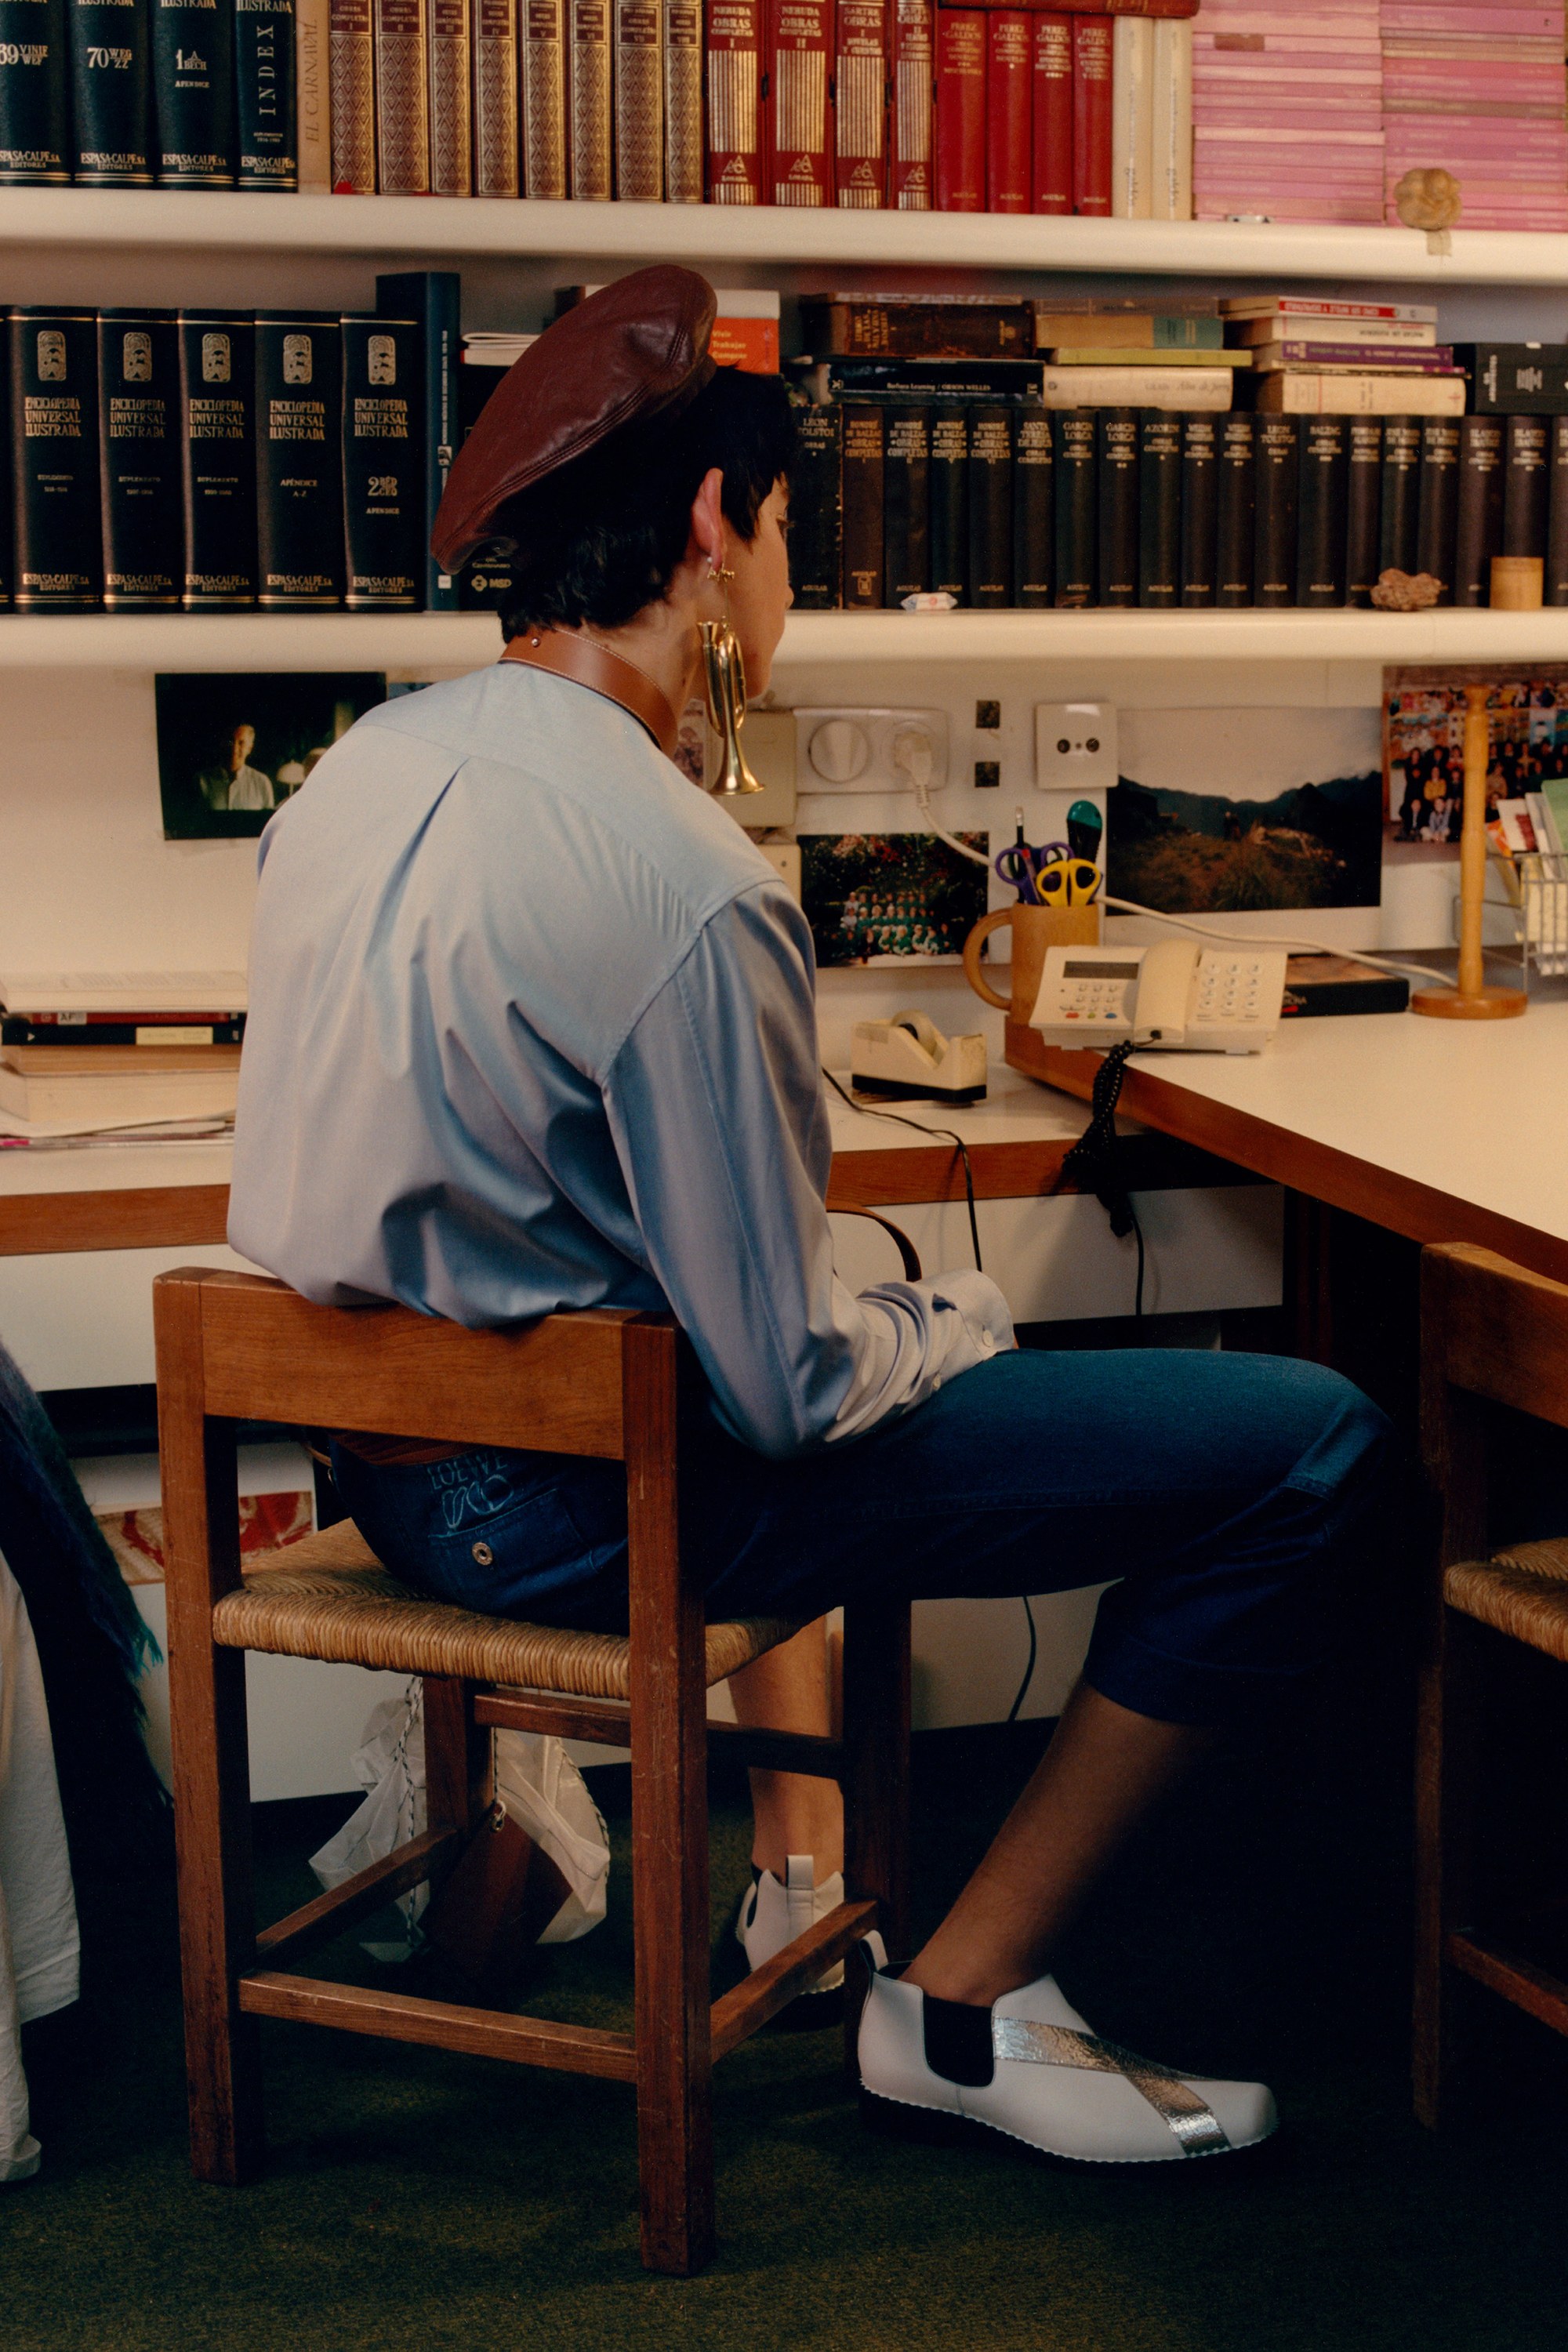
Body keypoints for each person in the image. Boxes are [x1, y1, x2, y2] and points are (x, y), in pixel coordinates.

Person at [228, 270, 1389, 2170]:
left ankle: (814, 1881)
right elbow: (778, 1383)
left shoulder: (351, 777)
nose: (782, 586)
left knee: (811, 1327)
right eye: (785, 538)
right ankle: (955, 2000)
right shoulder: (684, 875)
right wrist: (950, 1315)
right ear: (708, 529)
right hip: (574, 1510)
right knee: (1309, 1443)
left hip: (395, 1473)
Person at [198, 721, 274, 813]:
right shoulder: (201, 781)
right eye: (230, 741)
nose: (234, 748)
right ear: (222, 743)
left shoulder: (262, 782)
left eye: (241, 743)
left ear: (250, 748)